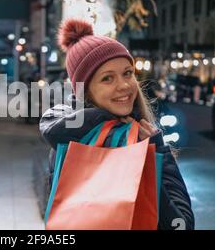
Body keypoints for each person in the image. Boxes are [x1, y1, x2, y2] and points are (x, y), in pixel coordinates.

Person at [39, 19, 194, 230]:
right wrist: (153, 152)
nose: (124, 85)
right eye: (107, 79)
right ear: (86, 91)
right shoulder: (128, 141)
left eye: (127, 73)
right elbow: (180, 224)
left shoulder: (67, 139)